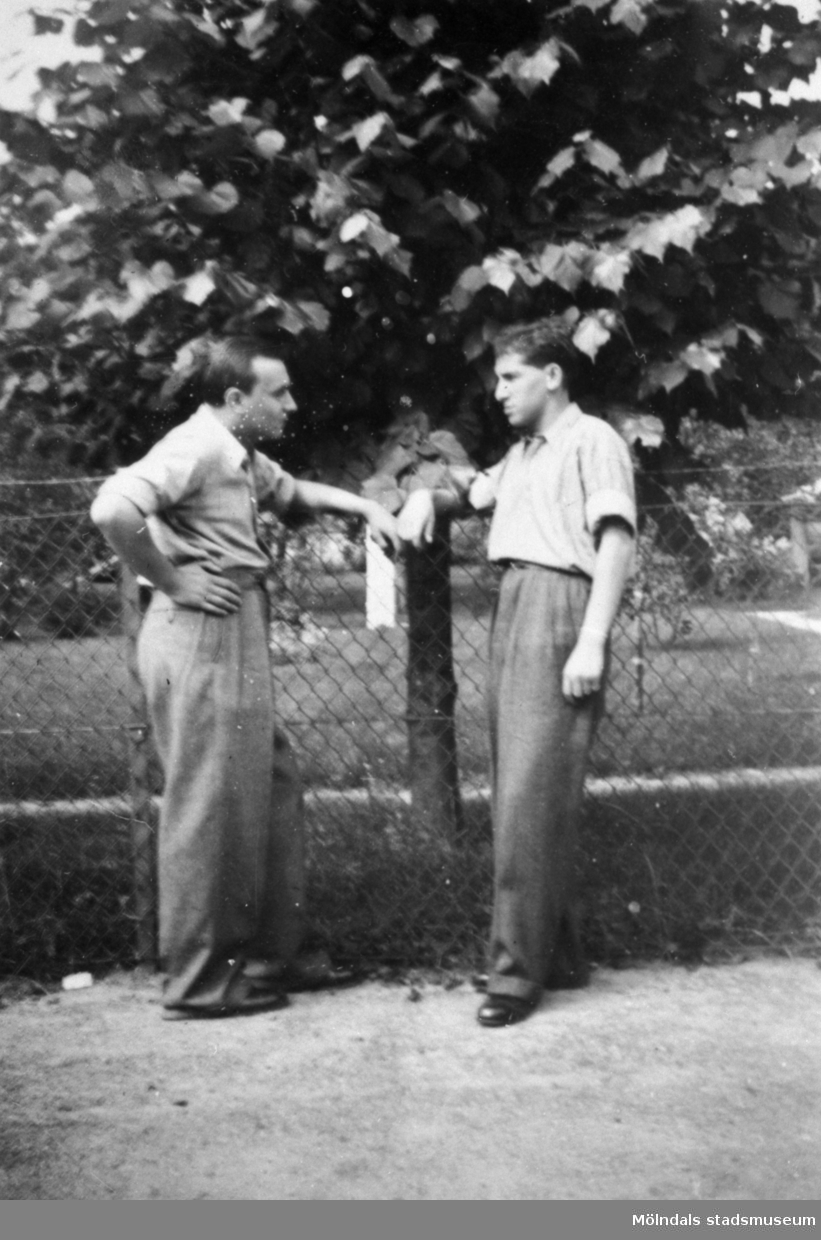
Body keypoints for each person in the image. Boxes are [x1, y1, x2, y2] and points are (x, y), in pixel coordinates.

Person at [91, 336, 399, 1020]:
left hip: (234, 622)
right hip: (200, 626)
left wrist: (367, 508)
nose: (292, 403)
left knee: (272, 782)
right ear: (236, 398)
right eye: (278, 392)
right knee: (209, 801)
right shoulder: (196, 448)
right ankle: (200, 982)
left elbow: (294, 492)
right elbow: (112, 509)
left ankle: (272, 956)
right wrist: (173, 580)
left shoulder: (239, 454)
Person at [398, 317, 636, 1027]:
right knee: (523, 788)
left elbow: (616, 541)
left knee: (530, 795)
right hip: (517, 602)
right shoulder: (525, 450)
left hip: (561, 607)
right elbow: (473, 495)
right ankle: (555, 956)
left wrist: (590, 640)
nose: (499, 392)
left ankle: (513, 976)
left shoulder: (592, 440)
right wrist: (424, 494)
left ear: (552, 376)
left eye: (511, 378)